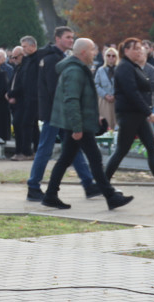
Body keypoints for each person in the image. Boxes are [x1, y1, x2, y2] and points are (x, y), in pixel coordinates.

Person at [41, 39, 134, 210]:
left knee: (66, 159)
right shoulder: (74, 71)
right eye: (92, 50)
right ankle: (111, 196)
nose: (95, 53)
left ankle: (50, 195)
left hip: (79, 123)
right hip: (78, 125)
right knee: (94, 159)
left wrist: (95, 115)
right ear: (83, 52)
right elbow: (72, 100)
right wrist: (77, 127)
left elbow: (82, 99)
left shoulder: (78, 69)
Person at [27, 27, 100, 201]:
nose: (70, 41)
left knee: (72, 148)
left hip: (59, 112)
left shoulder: (59, 58)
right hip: (55, 113)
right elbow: (56, 90)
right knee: (46, 149)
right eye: (67, 37)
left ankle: (89, 183)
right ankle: (33, 186)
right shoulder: (53, 59)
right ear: (57, 39)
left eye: (72, 38)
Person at [104, 38, 154, 196]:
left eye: (140, 48)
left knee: (152, 147)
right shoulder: (124, 68)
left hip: (137, 114)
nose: (139, 50)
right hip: (129, 114)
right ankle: (103, 183)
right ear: (126, 51)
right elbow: (132, 93)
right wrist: (148, 112)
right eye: (135, 48)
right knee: (122, 150)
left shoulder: (133, 66)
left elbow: (144, 89)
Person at [8, 37, 39, 160]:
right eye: (12, 57)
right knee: (27, 125)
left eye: (16, 57)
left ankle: (27, 152)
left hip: (29, 99)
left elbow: (25, 83)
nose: (14, 60)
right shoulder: (20, 66)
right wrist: (9, 93)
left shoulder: (32, 62)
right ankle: (25, 151)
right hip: (22, 100)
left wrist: (12, 94)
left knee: (27, 125)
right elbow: (13, 82)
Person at [94, 47, 118, 131]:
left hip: (116, 100)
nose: (111, 57)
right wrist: (105, 95)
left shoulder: (119, 70)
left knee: (116, 123)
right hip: (104, 100)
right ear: (105, 57)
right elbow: (96, 84)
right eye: (108, 55)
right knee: (105, 123)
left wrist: (115, 95)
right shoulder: (100, 70)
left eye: (113, 55)